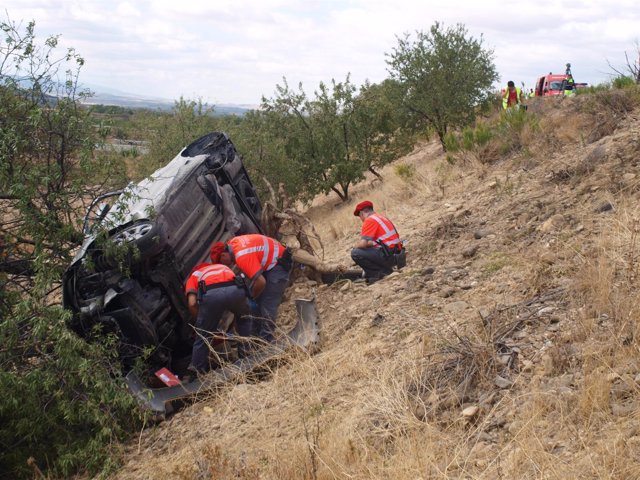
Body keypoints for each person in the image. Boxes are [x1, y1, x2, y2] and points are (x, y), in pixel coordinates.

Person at [213, 234, 292, 343]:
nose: (225, 267)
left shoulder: (241, 256)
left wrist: (251, 298)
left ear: (223, 255)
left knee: (267, 304)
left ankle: (266, 342)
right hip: (274, 260)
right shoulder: (234, 242)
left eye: (222, 264)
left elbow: (261, 282)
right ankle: (256, 338)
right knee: (257, 303)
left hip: (278, 264)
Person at [184, 254, 252, 374]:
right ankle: (247, 358)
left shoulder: (194, 275)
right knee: (245, 320)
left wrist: (201, 323)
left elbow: (192, 303)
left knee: (203, 336)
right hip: (236, 290)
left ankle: (196, 373)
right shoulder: (222, 267)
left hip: (212, 295)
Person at [351, 200, 405, 284]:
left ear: (362, 213)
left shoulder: (369, 220)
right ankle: (385, 270)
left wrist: (355, 246)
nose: (361, 219)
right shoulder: (380, 217)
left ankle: (379, 274)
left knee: (355, 253)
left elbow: (363, 244)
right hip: (398, 253)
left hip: (389, 256)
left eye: (359, 216)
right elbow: (376, 242)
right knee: (365, 249)